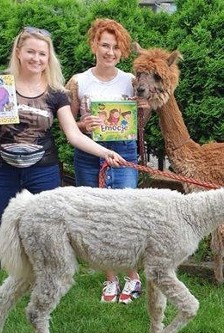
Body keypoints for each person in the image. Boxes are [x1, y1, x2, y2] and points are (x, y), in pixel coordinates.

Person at [0, 26, 123, 317]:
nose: (36, 58)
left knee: (47, 237)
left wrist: (106, 152)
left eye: (42, 53)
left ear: (49, 58)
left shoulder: (56, 94)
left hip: (42, 172)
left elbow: (73, 135)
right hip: (4, 170)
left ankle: (42, 291)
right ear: (19, 53)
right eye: (31, 51)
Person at [65, 18, 148, 304]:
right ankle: (110, 279)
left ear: (121, 52)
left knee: (126, 216)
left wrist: (143, 109)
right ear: (94, 46)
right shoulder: (78, 81)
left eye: (116, 47)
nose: (110, 52)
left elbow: (142, 120)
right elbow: (70, 124)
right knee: (97, 218)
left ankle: (133, 276)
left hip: (123, 151)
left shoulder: (131, 81)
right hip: (89, 154)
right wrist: (83, 124)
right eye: (105, 45)